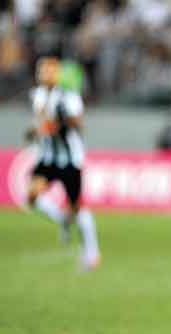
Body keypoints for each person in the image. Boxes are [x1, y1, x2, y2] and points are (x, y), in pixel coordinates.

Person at [26, 57, 101, 270]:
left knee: (78, 208)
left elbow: (78, 124)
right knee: (32, 195)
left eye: (49, 71)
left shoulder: (68, 96)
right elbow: (40, 123)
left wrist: (60, 121)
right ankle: (62, 219)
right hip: (48, 157)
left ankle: (92, 254)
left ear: (57, 74)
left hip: (70, 160)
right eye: (42, 71)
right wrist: (35, 131)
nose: (44, 75)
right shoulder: (38, 95)